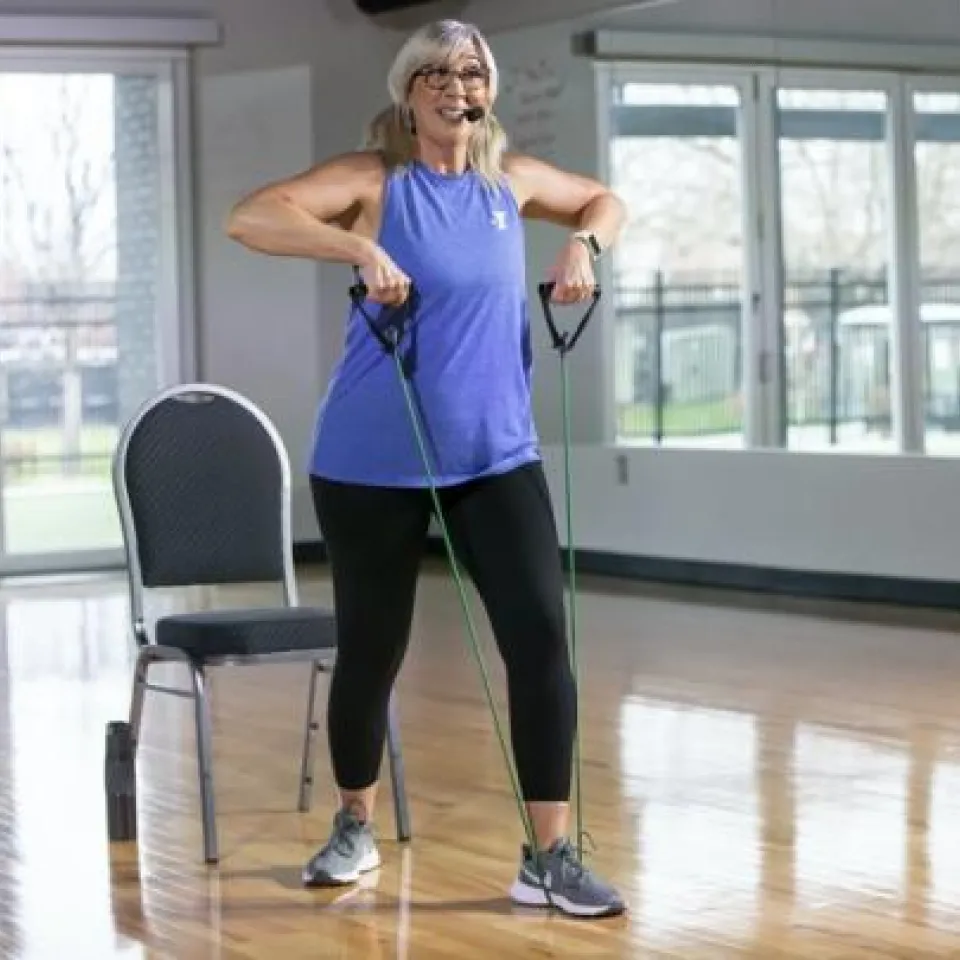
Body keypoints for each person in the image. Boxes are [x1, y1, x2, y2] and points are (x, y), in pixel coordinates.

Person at [225, 18, 627, 919]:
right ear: (409, 92)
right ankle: (354, 826)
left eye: (472, 73)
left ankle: (550, 855)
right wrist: (360, 248)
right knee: (373, 650)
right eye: (438, 74)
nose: (458, 88)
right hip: (370, 460)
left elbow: (605, 202)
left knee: (539, 641)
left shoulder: (509, 184)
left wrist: (581, 248)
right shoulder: (375, 180)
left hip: (495, 455)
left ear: (487, 91)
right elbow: (250, 215)